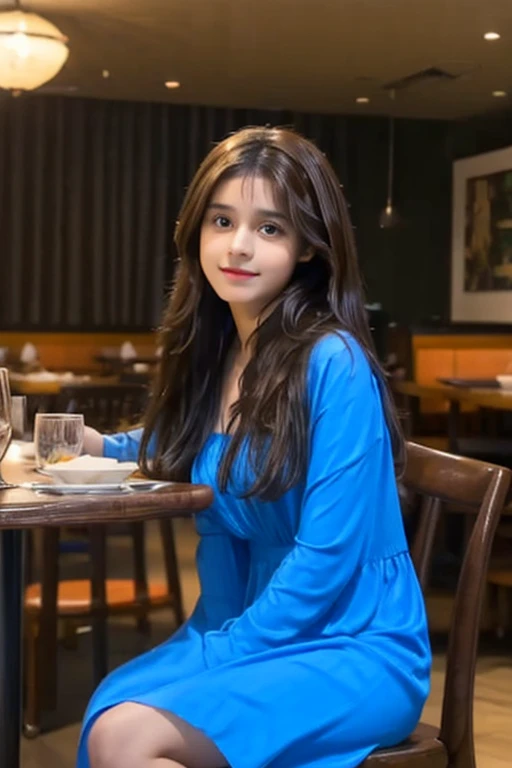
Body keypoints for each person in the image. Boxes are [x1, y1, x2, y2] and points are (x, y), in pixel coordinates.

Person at [78, 126, 431, 768]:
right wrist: (94, 443)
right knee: (110, 710)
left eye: (270, 228)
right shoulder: (224, 351)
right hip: (241, 620)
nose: (238, 246)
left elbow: (326, 560)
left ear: (305, 247)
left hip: (349, 644)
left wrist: (223, 652)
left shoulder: (334, 361)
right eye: (222, 220)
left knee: (127, 735)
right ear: (197, 231)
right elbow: (191, 445)